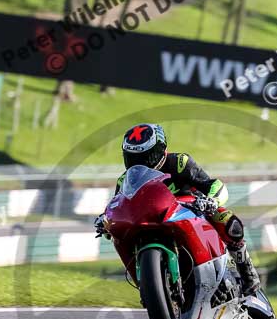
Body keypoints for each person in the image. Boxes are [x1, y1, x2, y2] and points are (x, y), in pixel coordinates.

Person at [95, 123, 260, 295]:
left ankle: (247, 271)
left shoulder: (180, 163)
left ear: (161, 151)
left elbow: (212, 184)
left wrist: (211, 200)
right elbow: (119, 206)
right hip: (151, 219)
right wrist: (107, 222)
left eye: (146, 157)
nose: (140, 164)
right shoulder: (125, 180)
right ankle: (152, 286)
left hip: (191, 210)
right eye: (133, 158)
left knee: (227, 221)